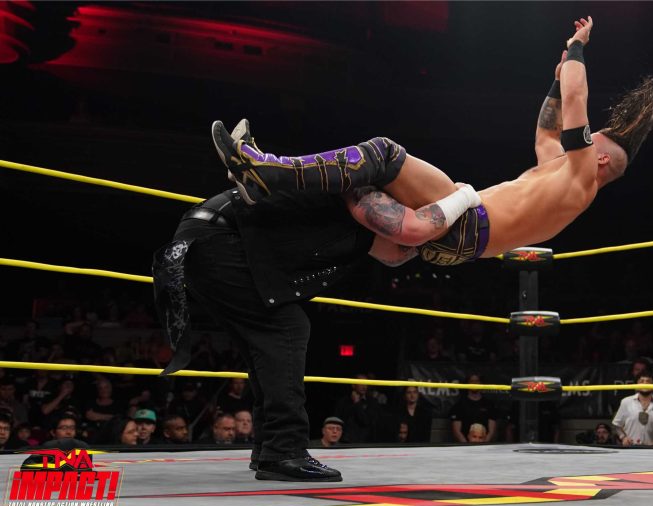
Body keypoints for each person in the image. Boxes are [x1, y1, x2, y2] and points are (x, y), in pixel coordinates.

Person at [154, 120, 474, 482]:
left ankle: (270, 448)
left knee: (267, 341)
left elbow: (397, 250)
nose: (409, 252)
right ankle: (284, 451)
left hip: (211, 241)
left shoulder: (361, 202)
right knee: (286, 329)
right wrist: (465, 196)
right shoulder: (367, 193)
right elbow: (411, 232)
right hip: (218, 241)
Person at [216, 17, 653, 268]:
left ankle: (268, 172)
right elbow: (547, 130)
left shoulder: (582, 180)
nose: (585, 139)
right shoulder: (560, 174)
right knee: (362, 183)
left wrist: (578, 47)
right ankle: (270, 197)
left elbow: (577, 100)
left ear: (601, 159)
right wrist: (556, 78)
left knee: (384, 153)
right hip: (460, 237)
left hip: (466, 224)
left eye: (592, 140)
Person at [612, 372, 653, 446]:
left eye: (648, 381)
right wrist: (623, 437)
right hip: (631, 447)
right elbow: (616, 424)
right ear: (636, 386)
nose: (645, 384)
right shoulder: (626, 402)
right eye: (641, 381)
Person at [449, 374, 497, 443]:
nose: (474, 383)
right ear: (467, 384)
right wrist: (467, 446)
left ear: (481, 383)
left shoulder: (489, 404)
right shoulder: (459, 405)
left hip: (484, 446)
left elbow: (491, 431)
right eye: (472, 381)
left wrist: (484, 445)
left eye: (477, 381)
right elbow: (457, 431)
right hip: (464, 446)